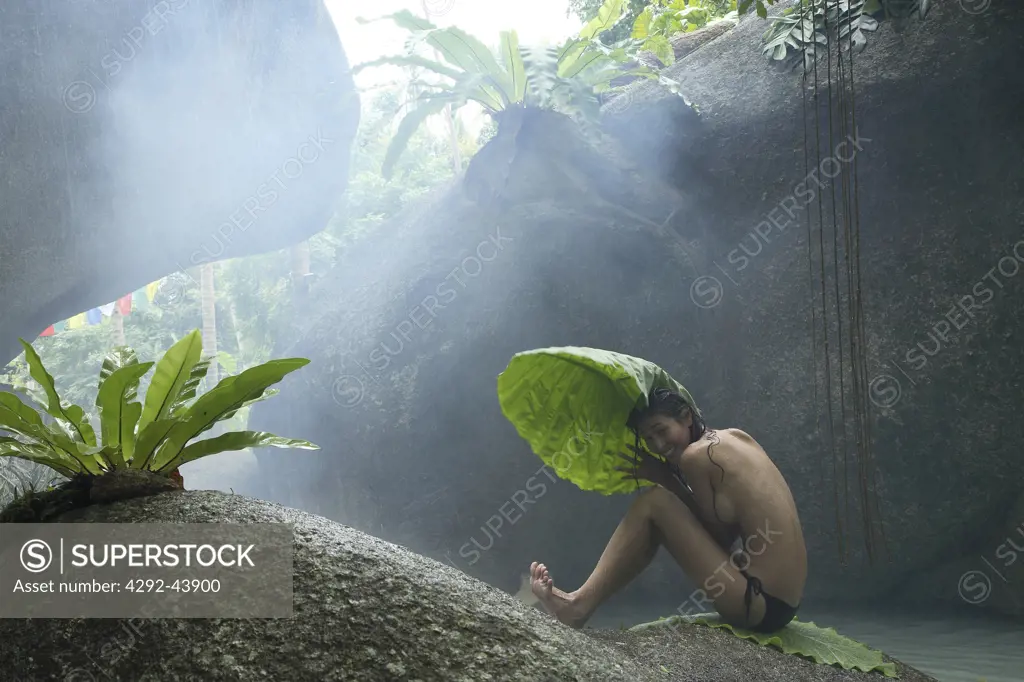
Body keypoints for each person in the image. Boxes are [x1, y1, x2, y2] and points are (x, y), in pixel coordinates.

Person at [528, 387, 807, 633]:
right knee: (661, 506)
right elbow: (730, 527)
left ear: (686, 416)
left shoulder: (696, 457)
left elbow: (721, 539)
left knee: (655, 503)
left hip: (758, 603)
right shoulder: (735, 436)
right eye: (648, 439)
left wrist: (664, 478)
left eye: (661, 431)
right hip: (785, 603)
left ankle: (576, 607)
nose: (659, 446)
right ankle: (577, 604)